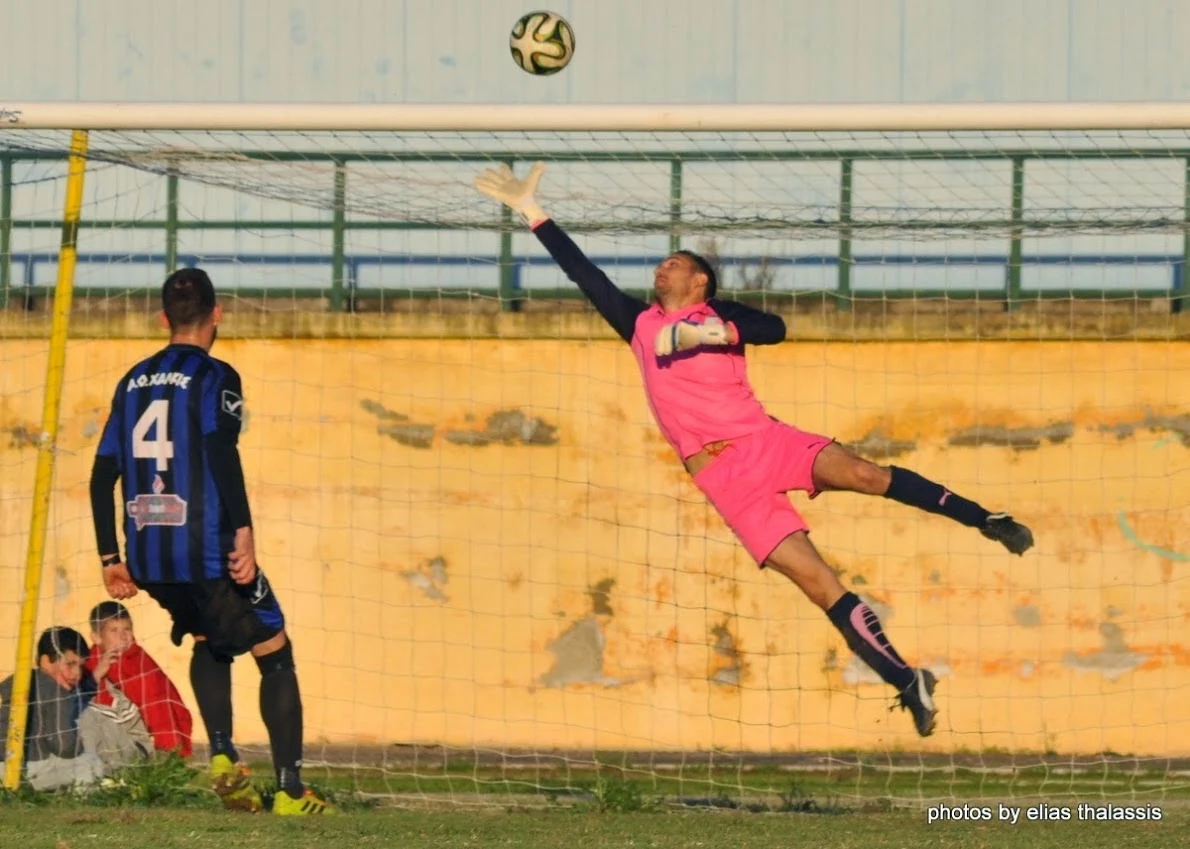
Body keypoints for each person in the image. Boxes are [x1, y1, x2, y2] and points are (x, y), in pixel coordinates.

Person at [474, 163, 1035, 737]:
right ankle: (907, 682)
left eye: (678, 263)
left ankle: (985, 517)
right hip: (723, 477)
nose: (664, 266)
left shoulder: (719, 316)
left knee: (866, 475)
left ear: (700, 284)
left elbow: (776, 328)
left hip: (764, 440)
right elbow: (584, 274)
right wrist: (532, 212)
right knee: (820, 585)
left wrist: (709, 333)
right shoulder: (639, 325)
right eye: (663, 262)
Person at [88, 268, 331, 814]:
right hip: (206, 549)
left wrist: (111, 557)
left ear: (163, 319)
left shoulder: (131, 380)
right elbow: (222, 453)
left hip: (148, 556)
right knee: (275, 651)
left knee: (207, 636)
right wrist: (243, 531)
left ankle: (223, 756)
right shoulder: (216, 376)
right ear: (216, 314)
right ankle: (291, 791)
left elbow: (103, 475)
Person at [84, 601, 192, 762]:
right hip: (105, 733)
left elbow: (159, 702)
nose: (123, 636)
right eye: (114, 630)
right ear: (97, 637)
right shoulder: (92, 661)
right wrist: (99, 672)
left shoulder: (141, 661)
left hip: (143, 732)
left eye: (127, 629)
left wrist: (168, 747)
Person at [0, 627, 106, 790]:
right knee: (91, 762)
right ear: (45, 661)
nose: (77, 673)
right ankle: (82, 800)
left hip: (4, 768)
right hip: (32, 770)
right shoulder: (58, 692)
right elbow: (64, 747)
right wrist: (79, 742)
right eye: (70, 664)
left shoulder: (17, 683)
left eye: (81, 665)